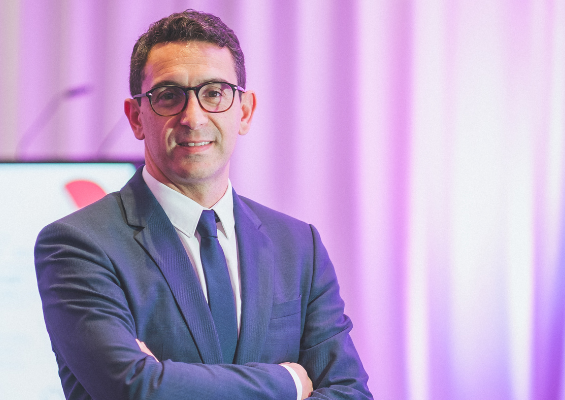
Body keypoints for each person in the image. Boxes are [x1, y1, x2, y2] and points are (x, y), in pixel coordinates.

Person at [35, 9, 372, 400]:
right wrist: (290, 382)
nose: (193, 118)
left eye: (214, 93)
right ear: (136, 117)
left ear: (244, 111)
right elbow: (136, 389)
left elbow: (350, 392)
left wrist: (166, 380)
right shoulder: (78, 245)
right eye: (168, 96)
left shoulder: (297, 246)